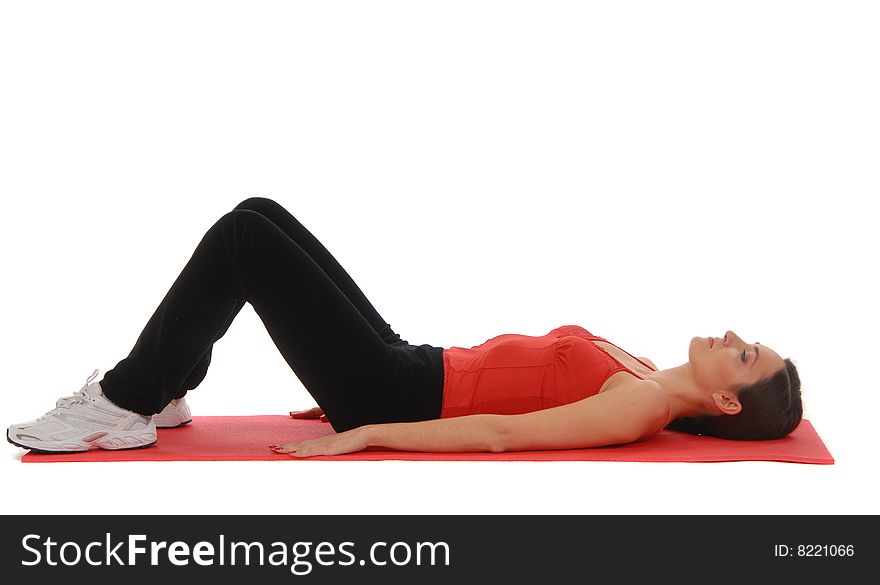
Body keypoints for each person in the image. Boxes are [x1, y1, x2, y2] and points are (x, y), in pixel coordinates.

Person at [6, 198, 803, 458]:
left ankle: (124, 398)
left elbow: (500, 431)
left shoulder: (640, 406)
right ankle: (170, 384)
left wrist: (365, 432)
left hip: (396, 389)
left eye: (744, 354)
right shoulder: (642, 365)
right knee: (258, 214)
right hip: (407, 359)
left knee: (242, 243)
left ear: (727, 403)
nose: (732, 335)